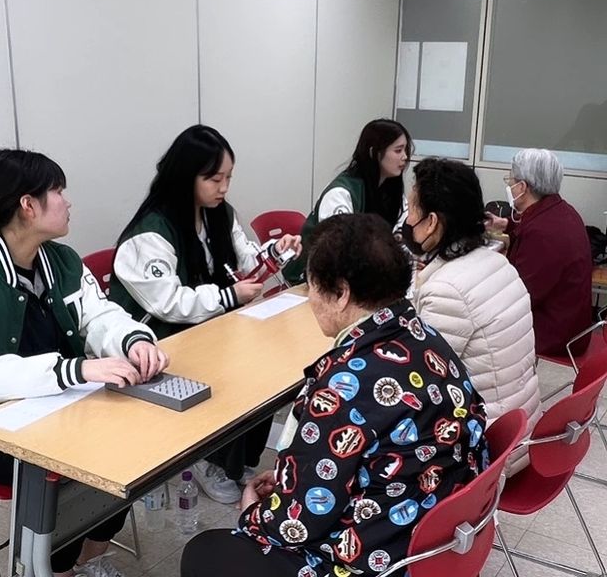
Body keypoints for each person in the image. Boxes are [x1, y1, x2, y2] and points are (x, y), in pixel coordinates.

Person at [181, 213, 489, 577]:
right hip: (435, 538)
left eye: (311, 285)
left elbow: (297, 525)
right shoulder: (427, 338)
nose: (310, 298)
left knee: (205, 552)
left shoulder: (344, 386)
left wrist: (253, 512)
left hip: (375, 559)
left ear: (341, 293)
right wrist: (293, 478)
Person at [0, 149, 169, 577]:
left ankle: (89, 558)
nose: (68, 201)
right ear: (28, 204)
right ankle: (55, 567)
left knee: (133, 445)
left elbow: (99, 315)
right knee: (79, 466)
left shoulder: (60, 260)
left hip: (59, 404)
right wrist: (74, 370)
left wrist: (132, 339)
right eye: (58, 191)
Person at [109, 124, 301, 505]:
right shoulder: (149, 233)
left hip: (211, 329)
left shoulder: (219, 214)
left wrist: (276, 254)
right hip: (162, 343)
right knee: (231, 373)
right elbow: (169, 303)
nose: (224, 187)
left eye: (228, 177)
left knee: (265, 370)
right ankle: (206, 458)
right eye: (214, 179)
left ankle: (238, 458)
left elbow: (247, 262)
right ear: (186, 176)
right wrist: (229, 296)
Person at [404, 158, 540, 474]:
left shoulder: (448, 290)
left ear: (432, 222)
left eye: (411, 209)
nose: (408, 219)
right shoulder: (497, 262)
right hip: (520, 429)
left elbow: (419, 383)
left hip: (488, 451)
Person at [486, 148, 593, 357]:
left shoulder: (543, 234)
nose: (509, 186)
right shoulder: (563, 211)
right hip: (572, 326)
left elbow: (518, 297)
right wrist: (505, 224)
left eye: (511, 180)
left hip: (553, 335)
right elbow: (531, 228)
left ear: (522, 187)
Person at [283, 118, 412, 284]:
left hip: (360, 275)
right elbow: (338, 252)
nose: (405, 157)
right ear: (374, 152)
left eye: (406, 150)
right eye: (398, 150)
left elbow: (401, 234)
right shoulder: (341, 193)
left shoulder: (391, 189)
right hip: (313, 279)